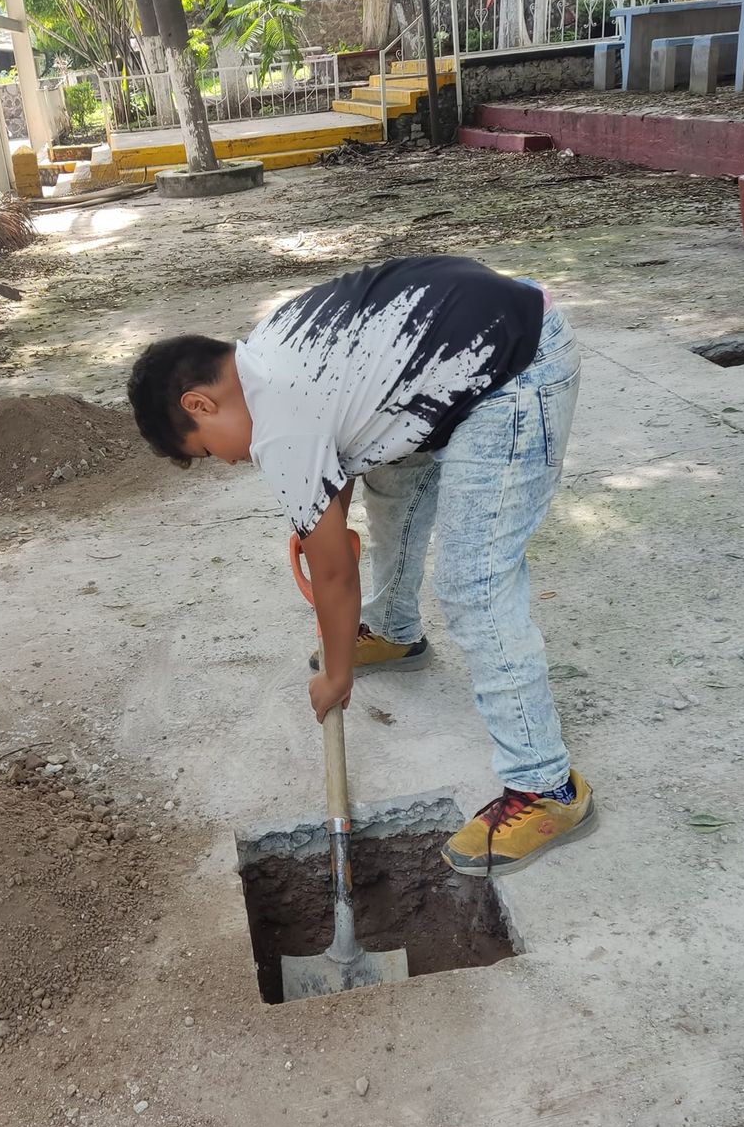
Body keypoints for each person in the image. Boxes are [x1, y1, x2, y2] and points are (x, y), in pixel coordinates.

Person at [127, 255, 597, 877]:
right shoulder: (269, 347)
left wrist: (336, 674)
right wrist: (320, 510)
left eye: (207, 452)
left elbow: (333, 575)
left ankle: (547, 789)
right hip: (483, 342)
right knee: (393, 487)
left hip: (515, 372)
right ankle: (398, 632)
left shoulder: (278, 429)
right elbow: (347, 437)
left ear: (201, 405)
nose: (228, 463)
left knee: (473, 586)